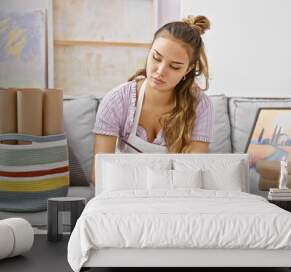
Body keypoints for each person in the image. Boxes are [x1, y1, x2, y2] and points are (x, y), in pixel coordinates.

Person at [90, 15, 214, 184]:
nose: (160, 71)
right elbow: (99, 176)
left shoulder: (200, 106)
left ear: (188, 69)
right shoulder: (117, 101)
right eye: (156, 57)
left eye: (174, 66)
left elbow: (195, 175)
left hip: (175, 196)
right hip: (123, 194)